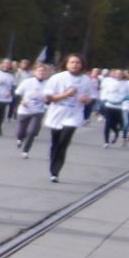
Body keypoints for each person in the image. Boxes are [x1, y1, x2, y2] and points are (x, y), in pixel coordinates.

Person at [42, 55, 87, 183]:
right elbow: (49, 98)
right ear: (66, 64)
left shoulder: (86, 80)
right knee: (55, 142)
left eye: (78, 62)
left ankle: (56, 171)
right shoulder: (57, 78)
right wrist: (66, 94)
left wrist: (86, 99)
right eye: (72, 62)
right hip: (57, 113)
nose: (75, 65)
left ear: (82, 65)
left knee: (64, 142)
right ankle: (53, 166)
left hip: (74, 114)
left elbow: (90, 96)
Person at [15, 62, 50, 157]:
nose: (42, 72)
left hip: (38, 111)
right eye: (39, 71)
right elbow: (17, 93)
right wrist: (21, 101)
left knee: (32, 131)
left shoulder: (48, 84)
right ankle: (20, 139)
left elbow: (51, 98)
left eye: (44, 71)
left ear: (47, 73)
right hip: (25, 110)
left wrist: (47, 101)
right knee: (20, 132)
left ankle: (25, 150)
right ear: (35, 72)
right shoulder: (27, 82)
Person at [0, 62, 16, 135]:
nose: (6, 65)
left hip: (5, 97)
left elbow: (14, 86)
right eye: (5, 64)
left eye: (8, 64)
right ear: (2, 64)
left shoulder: (11, 75)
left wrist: (10, 92)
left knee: (2, 113)